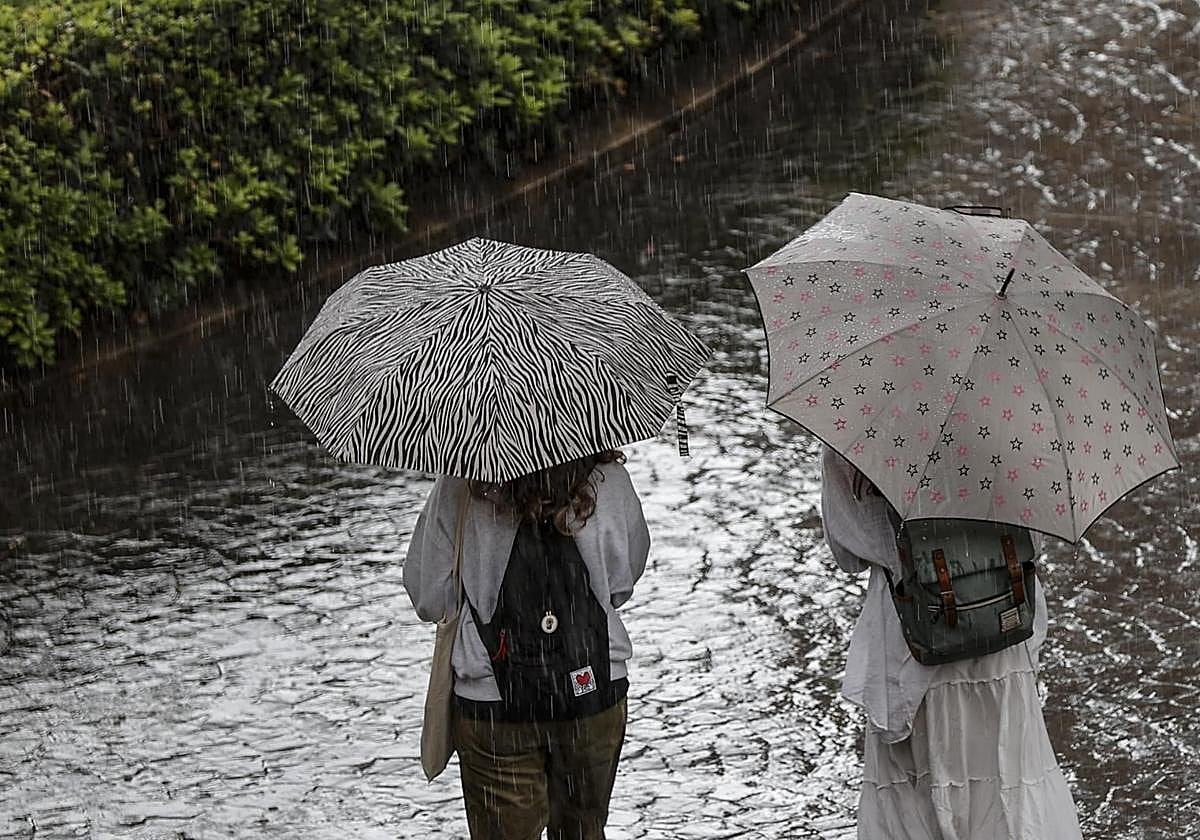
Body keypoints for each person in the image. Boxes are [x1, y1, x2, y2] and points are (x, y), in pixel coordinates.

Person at [819, 446, 1083, 840]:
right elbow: (1036, 537)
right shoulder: (1012, 407)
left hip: (912, 637)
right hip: (1000, 621)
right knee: (1009, 779)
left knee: (920, 794)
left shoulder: (858, 421)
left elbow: (846, 548)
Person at [404, 450, 650, 840]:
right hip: (593, 690)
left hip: (493, 705)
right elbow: (622, 582)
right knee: (583, 831)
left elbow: (429, 597)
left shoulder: (461, 487)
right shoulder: (608, 478)